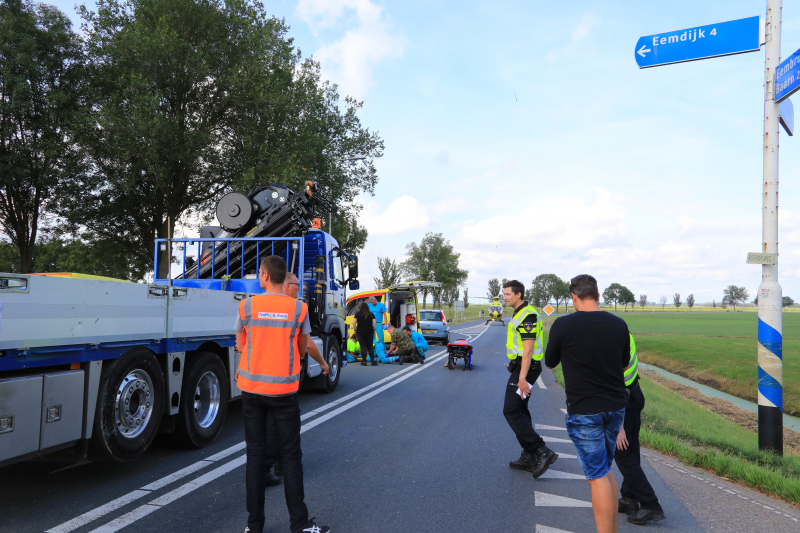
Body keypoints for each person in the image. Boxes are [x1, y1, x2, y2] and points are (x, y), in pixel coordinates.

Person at [235, 256, 331, 533]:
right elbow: (302, 347)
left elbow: (240, 342)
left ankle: (254, 527)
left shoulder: (247, 305)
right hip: (283, 390)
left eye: (259, 274)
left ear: (265, 276)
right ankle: (300, 525)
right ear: (282, 278)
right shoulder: (298, 308)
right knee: (290, 457)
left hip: (252, 389)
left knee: (255, 456)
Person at [545, 274, 630, 533]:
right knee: (604, 469)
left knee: (597, 476)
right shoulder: (618, 323)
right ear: (598, 295)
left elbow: (550, 362)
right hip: (615, 408)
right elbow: (624, 363)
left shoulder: (563, 325)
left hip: (585, 410)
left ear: (573, 297)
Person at [501, 280, 558, 479]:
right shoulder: (520, 313)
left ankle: (541, 450)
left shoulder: (528, 315)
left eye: (508, 294)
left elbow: (528, 349)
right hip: (523, 366)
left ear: (519, 294)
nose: (505, 297)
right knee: (520, 409)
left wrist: (522, 378)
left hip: (527, 367)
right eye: (504, 294)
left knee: (511, 410)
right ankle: (529, 457)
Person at [615, 334, 665, 525]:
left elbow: (616, 381)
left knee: (621, 451)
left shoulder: (611, 335)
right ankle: (629, 498)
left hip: (624, 399)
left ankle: (650, 504)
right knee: (631, 448)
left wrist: (618, 427)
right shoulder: (622, 332)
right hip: (634, 393)